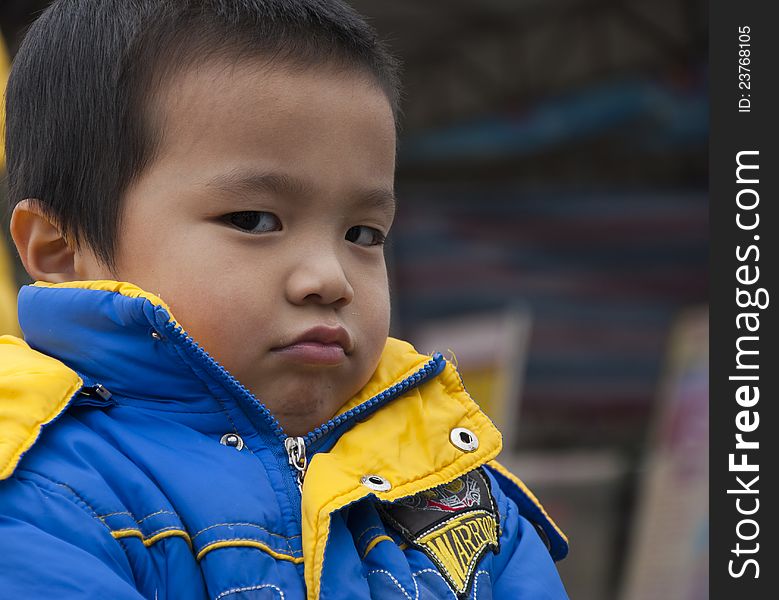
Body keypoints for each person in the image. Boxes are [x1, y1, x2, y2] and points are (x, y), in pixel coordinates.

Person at [0, 1, 569, 598]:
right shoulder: (40, 494)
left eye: (363, 235)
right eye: (253, 219)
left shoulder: (459, 501)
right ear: (63, 249)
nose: (330, 278)